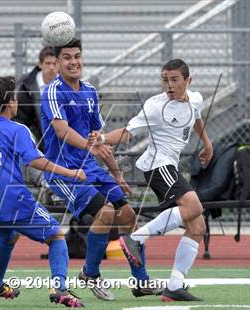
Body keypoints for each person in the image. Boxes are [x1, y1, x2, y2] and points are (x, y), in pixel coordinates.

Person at [40, 38, 162, 301]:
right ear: (58, 62)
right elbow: (61, 131)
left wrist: (117, 175)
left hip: (90, 168)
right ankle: (90, 273)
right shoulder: (52, 92)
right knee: (106, 213)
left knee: (128, 214)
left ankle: (141, 281)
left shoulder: (90, 92)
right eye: (67, 57)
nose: (74, 62)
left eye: (77, 56)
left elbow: (98, 140)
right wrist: (89, 145)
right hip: (62, 171)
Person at [89, 58, 213, 302]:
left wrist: (207, 143)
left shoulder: (195, 98)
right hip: (158, 165)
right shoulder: (155, 106)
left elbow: (196, 116)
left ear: (189, 80)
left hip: (170, 166)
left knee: (197, 227)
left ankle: (175, 286)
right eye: (165, 79)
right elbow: (126, 133)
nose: (169, 85)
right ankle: (135, 238)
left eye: (175, 80)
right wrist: (103, 138)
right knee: (194, 206)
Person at [0, 75, 84, 307]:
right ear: (11, 102)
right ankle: (60, 288)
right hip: (11, 199)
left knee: (6, 236)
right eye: (15, 98)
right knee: (56, 235)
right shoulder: (17, 129)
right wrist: (70, 173)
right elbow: (34, 160)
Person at [13, 46, 58, 149]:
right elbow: (21, 118)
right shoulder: (26, 86)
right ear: (40, 65)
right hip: (36, 139)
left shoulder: (66, 85)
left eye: (55, 63)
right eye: (48, 63)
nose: (51, 67)